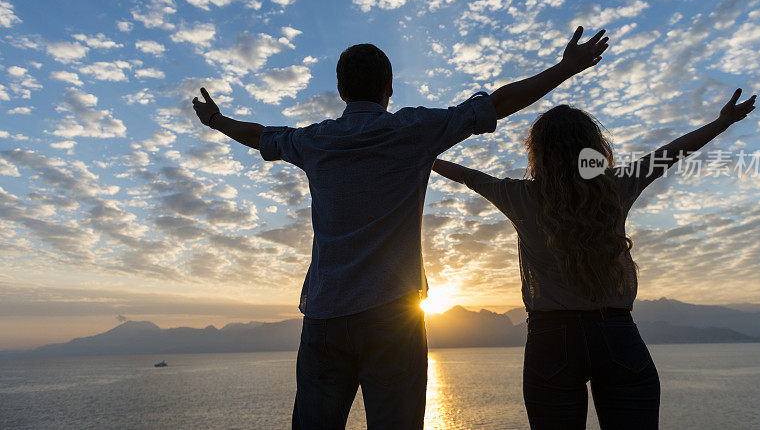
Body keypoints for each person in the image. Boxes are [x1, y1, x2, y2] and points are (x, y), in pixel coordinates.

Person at [191, 27, 608, 429]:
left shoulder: (314, 141)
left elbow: (262, 135)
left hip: (325, 316)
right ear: (389, 87)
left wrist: (216, 120)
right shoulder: (413, 130)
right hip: (394, 317)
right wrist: (565, 68)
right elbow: (499, 103)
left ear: (340, 91)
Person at [432, 89, 756, 429]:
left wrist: (423, 155)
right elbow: (670, 154)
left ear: (537, 152)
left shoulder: (519, 196)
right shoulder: (616, 186)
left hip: (551, 340)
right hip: (617, 335)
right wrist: (721, 123)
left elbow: (469, 176)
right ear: (594, 148)